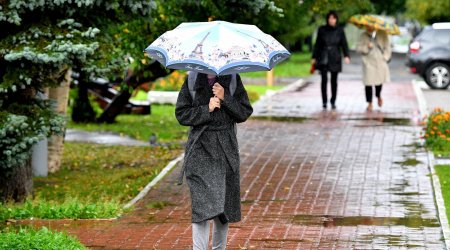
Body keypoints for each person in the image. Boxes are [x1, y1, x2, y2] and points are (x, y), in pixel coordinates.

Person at [175, 73, 253, 250]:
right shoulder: (192, 79)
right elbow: (181, 114)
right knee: (201, 208)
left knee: (223, 209)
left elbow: (244, 112)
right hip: (200, 150)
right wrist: (206, 109)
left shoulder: (232, 78)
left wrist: (225, 97)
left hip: (226, 151)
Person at [312, 10, 350, 110]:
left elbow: (344, 44)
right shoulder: (322, 29)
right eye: (329, 18)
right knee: (324, 80)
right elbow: (317, 44)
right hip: (323, 56)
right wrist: (314, 57)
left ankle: (333, 100)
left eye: (333, 18)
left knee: (334, 80)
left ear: (336, 19)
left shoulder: (340, 30)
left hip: (335, 56)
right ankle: (324, 101)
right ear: (327, 19)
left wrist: (346, 55)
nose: (331, 20)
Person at [355, 27, 391, 111]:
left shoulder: (382, 34)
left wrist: (385, 57)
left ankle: (378, 95)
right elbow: (358, 48)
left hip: (380, 61)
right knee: (368, 83)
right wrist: (367, 46)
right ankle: (369, 102)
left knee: (379, 81)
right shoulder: (363, 35)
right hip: (368, 62)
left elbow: (388, 47)